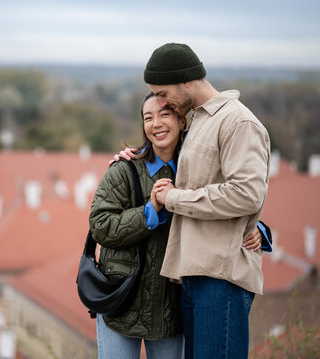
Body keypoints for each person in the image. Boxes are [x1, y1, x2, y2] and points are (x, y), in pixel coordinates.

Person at [89, 92, 268, 359]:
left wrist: (258, 229)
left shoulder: (198, 170)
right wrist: (149, 212)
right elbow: (100, 226)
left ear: (182, 120)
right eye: (148, 118)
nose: (156, 123)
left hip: (168, 308)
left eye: (164, 114)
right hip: (121, 300)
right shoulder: (124, 170)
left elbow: (227, 201)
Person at [145, 43, 270, 359]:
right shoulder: (197, 120)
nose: (161, 102)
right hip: (193, 273)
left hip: (221, 277)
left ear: (186, 81)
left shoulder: (238, 122)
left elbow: (246, 193)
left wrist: (174, 198)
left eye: (162, 93)